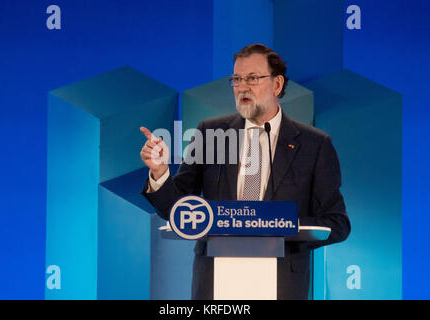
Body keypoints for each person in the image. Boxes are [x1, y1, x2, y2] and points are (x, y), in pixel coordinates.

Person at [139, 43, 350, 300]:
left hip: (281, 283)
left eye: (252, 78)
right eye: (236, 79)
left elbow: (337, 223)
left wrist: (281, 228)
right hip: (216, 284)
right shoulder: (210, 134)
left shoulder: (314, 144)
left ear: (277, 84)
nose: (242, 87)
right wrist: (160, 172)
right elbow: (177, 209)